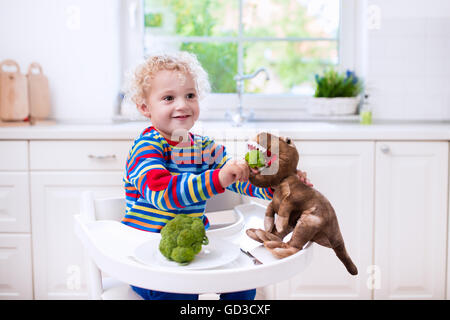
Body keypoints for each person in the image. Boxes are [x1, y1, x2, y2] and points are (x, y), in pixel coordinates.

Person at [121, 51, 312, 300]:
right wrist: (217, 179)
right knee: (180, 296)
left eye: (190, 95)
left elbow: (241, 178)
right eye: (168, 98)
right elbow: (162, 193)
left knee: (244, 284)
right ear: (145, 107)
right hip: (147, 261)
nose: (182, 104)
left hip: (194, 252)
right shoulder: (147, 146)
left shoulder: (203, 147)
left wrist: (279, 186)